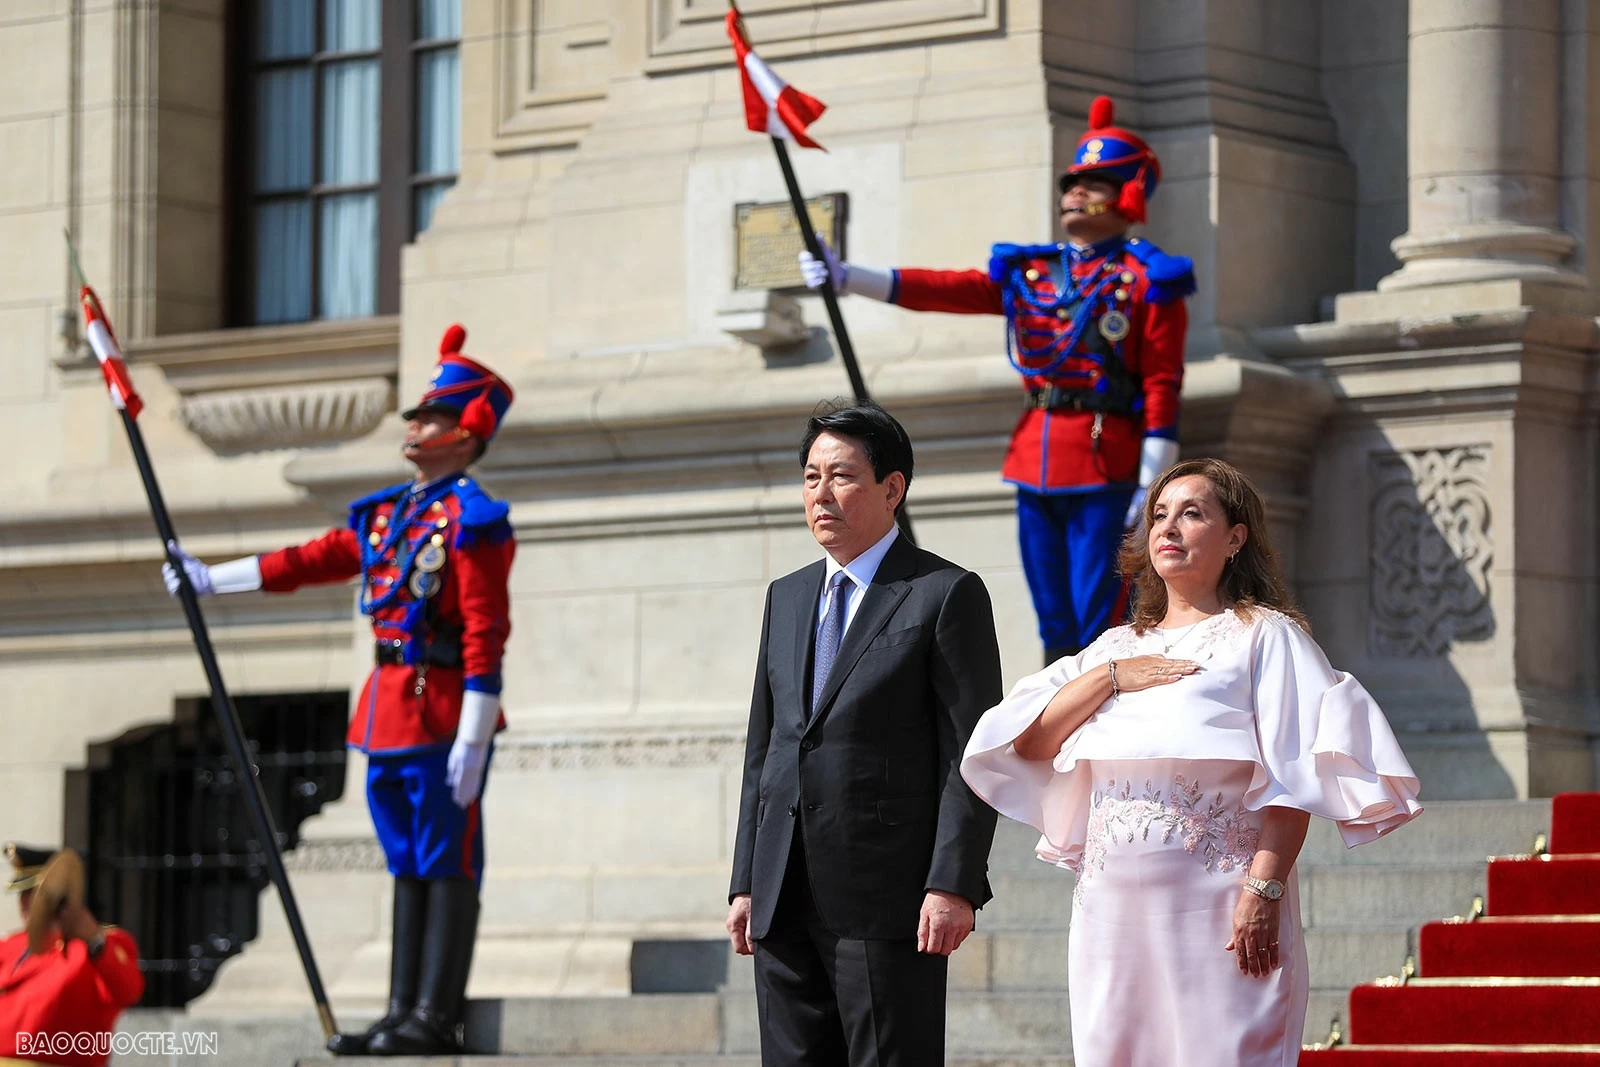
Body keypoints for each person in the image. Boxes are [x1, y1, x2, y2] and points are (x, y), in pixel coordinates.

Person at [959, 458, 1423, 1067]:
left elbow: (1294, 776)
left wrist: (1265, 887)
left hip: (1222, 905)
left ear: (1236, 538)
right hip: (1111, 914)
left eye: (1192, 513)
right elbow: (1028, 745)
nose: (1168, 528)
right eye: (1158, 515)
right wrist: (1112, 677)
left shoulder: (1266, 636)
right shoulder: (1114, 646)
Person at [162, 325, 516, 1057]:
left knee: (445, 858)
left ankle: (433, 1013)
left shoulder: (474, 521)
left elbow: (486, 629)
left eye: (430, 417)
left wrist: (476, 734)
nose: (412, 426)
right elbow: (310, 559)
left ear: (466, 432)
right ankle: (400, 1010)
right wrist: (210, 577)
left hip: (441, 707)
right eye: (417, 415)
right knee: (406, 860)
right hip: (388, 705)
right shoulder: (389, 514)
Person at [799, 96, 1193, 666]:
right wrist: (847, 277)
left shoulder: (1147, 278)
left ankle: (1100, 713)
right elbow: (951, 289)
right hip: (1038, 453)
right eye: (1072, 181)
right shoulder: (1033, 272)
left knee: (1101, 609)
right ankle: (1061, 709)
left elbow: (1163, 382)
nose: (1076, 191)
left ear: (1129, 193)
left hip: (1107, 458)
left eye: (1096, 182)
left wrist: (1153, 483)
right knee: (1052, 611)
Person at [726, 401, 1004, 1067]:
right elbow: (764, 749)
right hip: (783, 890)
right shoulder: (786, 596)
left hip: (889, 898)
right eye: (811, 476)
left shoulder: (943, 592)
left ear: (892, 488)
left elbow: (971, 754)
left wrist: (954, 880)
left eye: (842, 476)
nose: (822, 493)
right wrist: (746, 879)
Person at [1, 844, 144, 1066]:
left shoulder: (96, 945)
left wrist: (93, 939)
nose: (24, 903)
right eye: (22, 894)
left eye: (33, 894)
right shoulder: (11, 945)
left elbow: (129, 990)